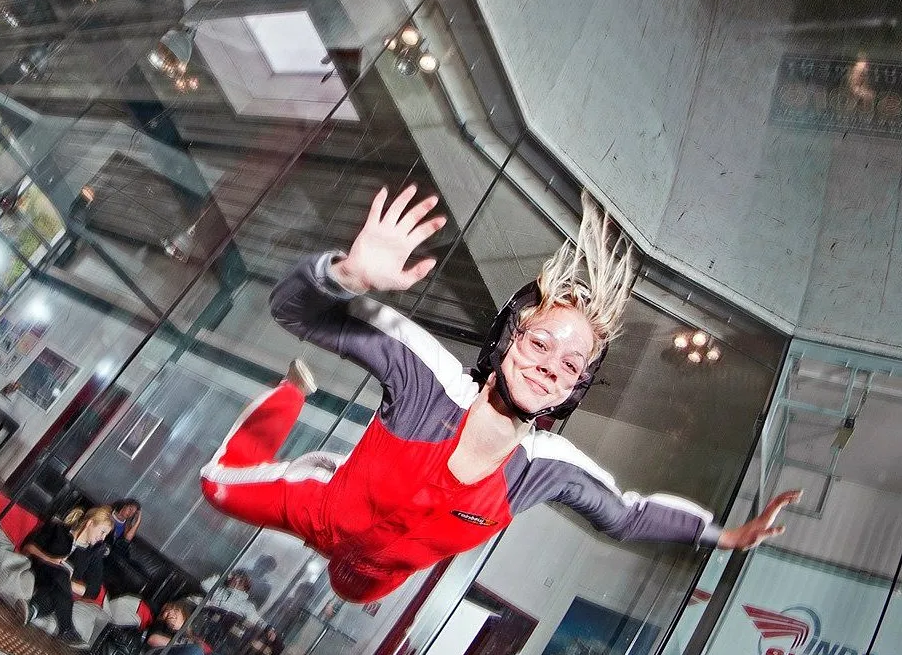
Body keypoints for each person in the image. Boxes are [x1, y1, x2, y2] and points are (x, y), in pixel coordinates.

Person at [200, 185, 801, 604]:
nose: (550, 367)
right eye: (540, 343)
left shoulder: (544, 471)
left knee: (350, 588)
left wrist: (727, 536)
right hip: (322, 508)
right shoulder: (426, 384)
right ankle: (289, 394)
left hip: (380, 574)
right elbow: (295, 311)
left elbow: (626, 515)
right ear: (507, 339)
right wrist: (346, 277)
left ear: (575, 388)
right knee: (216, 483)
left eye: (570, 365)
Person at [18, 505, 115, 647]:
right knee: (61, 573)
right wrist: (49, 559)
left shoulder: (94, 556)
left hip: (57, 587)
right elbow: (28, 548)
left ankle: (32, 609)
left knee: (60, 584)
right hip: (40, 571)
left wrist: (67, 582)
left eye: (105, 535)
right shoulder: (57, 529)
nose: (102, 538)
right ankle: (67, 629)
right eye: (102, 532)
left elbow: (93, 591)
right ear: (90, 523)